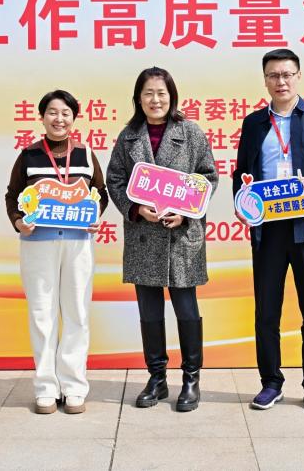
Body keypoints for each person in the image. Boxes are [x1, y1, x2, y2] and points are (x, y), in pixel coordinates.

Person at [232, 49, 304, 414]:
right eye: (273, 75)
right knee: (267, 312)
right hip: (268, 230)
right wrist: (243, 203)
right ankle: (271, 383)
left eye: (287, 74)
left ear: (298, 76)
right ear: (265, 80)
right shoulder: (254, 123)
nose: (280, 81)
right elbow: (241, 173)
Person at [106, 67, 218, 412]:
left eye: (161, 93)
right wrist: (136, 209)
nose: (155, 100)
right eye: (148, 93)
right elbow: (115, 179)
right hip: (144, 235)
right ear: (138, 99)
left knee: (187, 309)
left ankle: (191, 379)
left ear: (172, 97)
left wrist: (186, 212)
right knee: (149, 311)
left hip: (181, 235)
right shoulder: (128, 137)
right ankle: (156, 378)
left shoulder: (191, 132)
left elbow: (208, 177)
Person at [4, 90, 109, 415]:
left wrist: (95, 215)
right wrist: (18, 221)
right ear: (42, 117)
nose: (58, 119)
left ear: (73, 118)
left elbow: (100, 192)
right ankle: (46, 388)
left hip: (77, 244)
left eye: (65, 113)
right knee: (42, 315)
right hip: (38, 244)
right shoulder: (29, 155)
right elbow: (12, 195)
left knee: (77, 313)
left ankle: (74, 387)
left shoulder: (86, 154)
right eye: (52, 112)